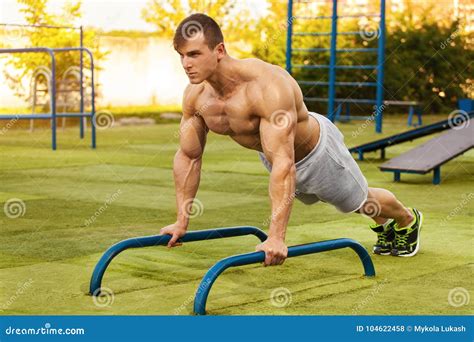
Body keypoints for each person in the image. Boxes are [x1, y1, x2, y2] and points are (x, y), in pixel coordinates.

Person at [160, 13, 423, 266]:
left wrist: (276, 237)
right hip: (274, 154)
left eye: (194, 54)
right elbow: (189, 156)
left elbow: (285, 162)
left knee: (360, 203)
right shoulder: (196, 97)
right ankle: (385, 225)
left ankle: (407, 220)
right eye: (181, 55)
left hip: (316, 152)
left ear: (219, 50)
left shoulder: (266, 86)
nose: (186, 64)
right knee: (354, 203)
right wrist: (181, 221)